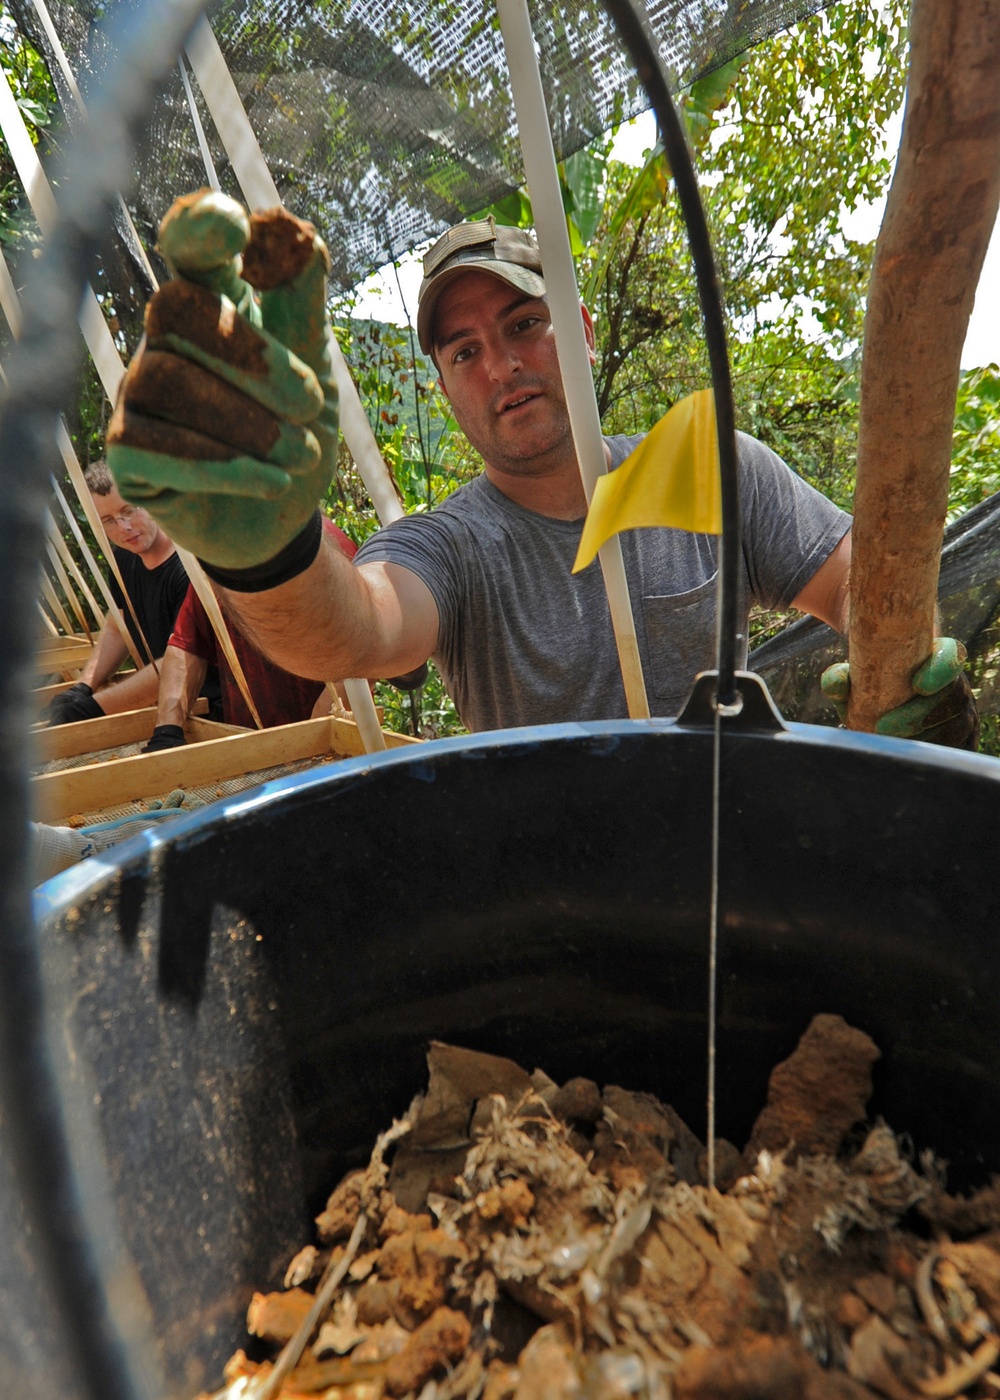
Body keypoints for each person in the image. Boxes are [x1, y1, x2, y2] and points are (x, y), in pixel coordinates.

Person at [106, 195, 976, 746]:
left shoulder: (714, 469)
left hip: (734, 865)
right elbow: (359, 629)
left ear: (585, 330)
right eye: (465, 349)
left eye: (525, 325)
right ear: (443, 384)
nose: (501, 367)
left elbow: (864, 581)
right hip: (558, 902)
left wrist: (899, 663)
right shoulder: (450, 546)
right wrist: (268, 551)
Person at [143, 517, 361, 750]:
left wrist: (311, 741)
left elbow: (358, 659)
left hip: (331, 745)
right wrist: (167, 729)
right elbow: (187, 644)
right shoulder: (214, 559)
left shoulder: (319, 546)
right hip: (248, 742)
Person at [44, 461, 194, 724]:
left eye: (129, 510)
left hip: (201, 709)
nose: (123, 528)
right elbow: (118, 628)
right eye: (109, 521)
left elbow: (179, 661)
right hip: (156, 708)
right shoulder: (124, 558)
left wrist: (90, 709)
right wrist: (84, 686)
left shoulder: (189, 568)